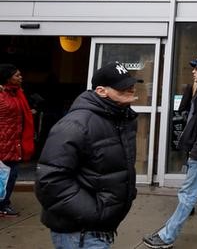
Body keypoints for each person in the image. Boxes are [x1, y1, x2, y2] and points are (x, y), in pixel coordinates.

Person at [35, 62, 138, 248]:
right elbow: (50, 181)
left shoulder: (123, 119)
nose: (130, 88)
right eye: (122, 86)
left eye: (130, 84)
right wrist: (95, 212)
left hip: (101, 228)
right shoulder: (76, 125)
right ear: (101, 91)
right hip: (79, 233)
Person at [144, 55, 197, 248]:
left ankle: (166, 237)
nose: (193, 71)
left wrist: (196, 152)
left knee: (188, 194)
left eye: (196, 68)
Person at [0, 64, 34, 218]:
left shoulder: (16, 93)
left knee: (10, 174)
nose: (20, 78)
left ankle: (4, 202)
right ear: (8, 77)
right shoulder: (2, 94)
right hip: (4, 141)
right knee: (6, 174)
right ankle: (3, 204)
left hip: (13, 141)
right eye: (17, 75)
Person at [175, 79, 197, 221]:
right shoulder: (192, 87)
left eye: (196, 68)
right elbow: (182, 107)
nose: (194, 72)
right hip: (193, 136)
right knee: (196, 173)